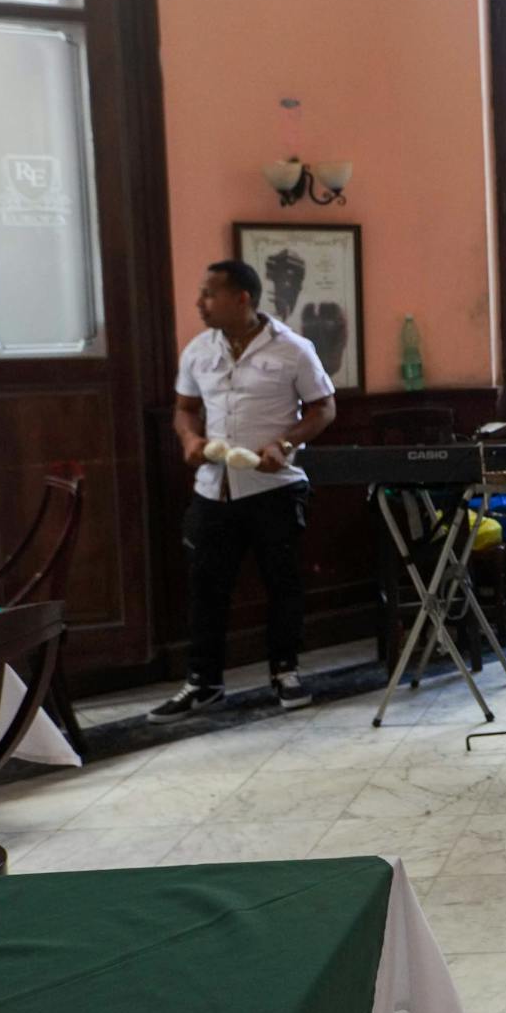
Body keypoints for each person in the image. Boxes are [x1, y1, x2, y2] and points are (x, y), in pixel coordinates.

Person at [151, 260, 337, 723]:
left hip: (274, 487)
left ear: (242, 299)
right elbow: (185, 409)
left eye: (209, 294)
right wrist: (190, 440)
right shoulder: (198, 351)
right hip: (214, 490)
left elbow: (324, 407)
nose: (200, 303)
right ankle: (204, 683)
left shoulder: (294, 350)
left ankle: (285, 672)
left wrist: (286, 442)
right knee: (206, 588)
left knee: (282, 584)